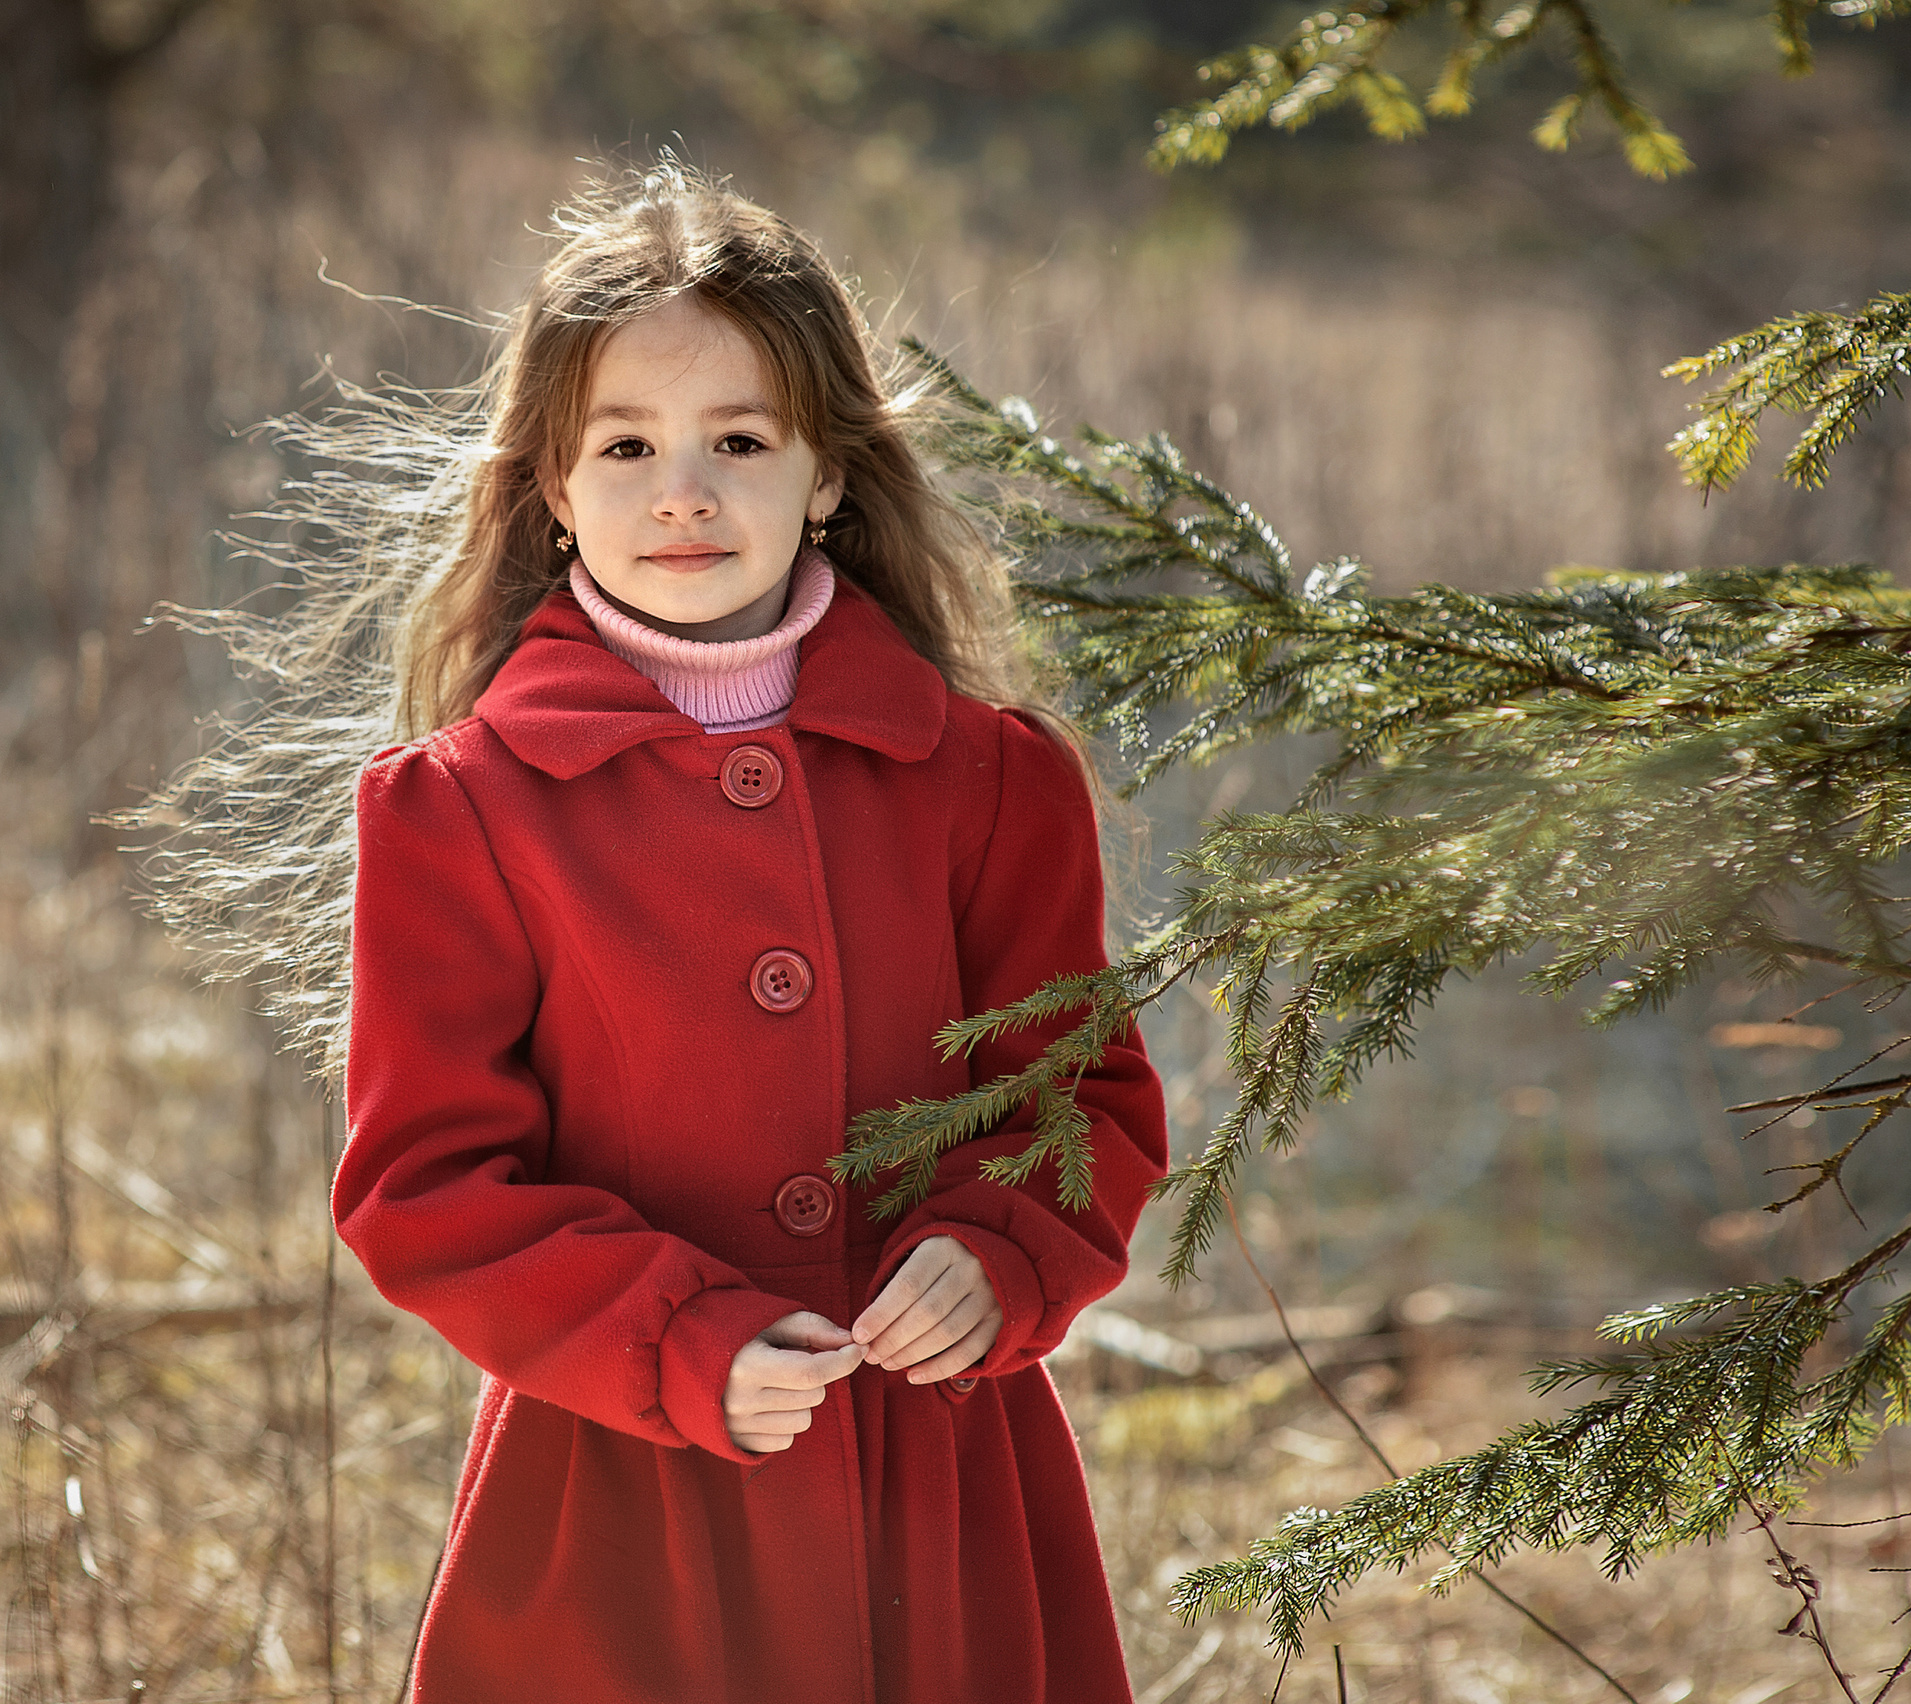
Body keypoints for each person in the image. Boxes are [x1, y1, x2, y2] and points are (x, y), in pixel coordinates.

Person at [328, 165, 1167, 1703]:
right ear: (550, 489)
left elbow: (1077, 1101)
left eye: (740, 441)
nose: (684, 493)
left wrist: (999, 1253)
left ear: (830, 474)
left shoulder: (989, 778)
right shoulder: (462, 806)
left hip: (938, 1476)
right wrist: (674, 1340)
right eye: (627, 446)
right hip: (618, 1491)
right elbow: (425, 1185)